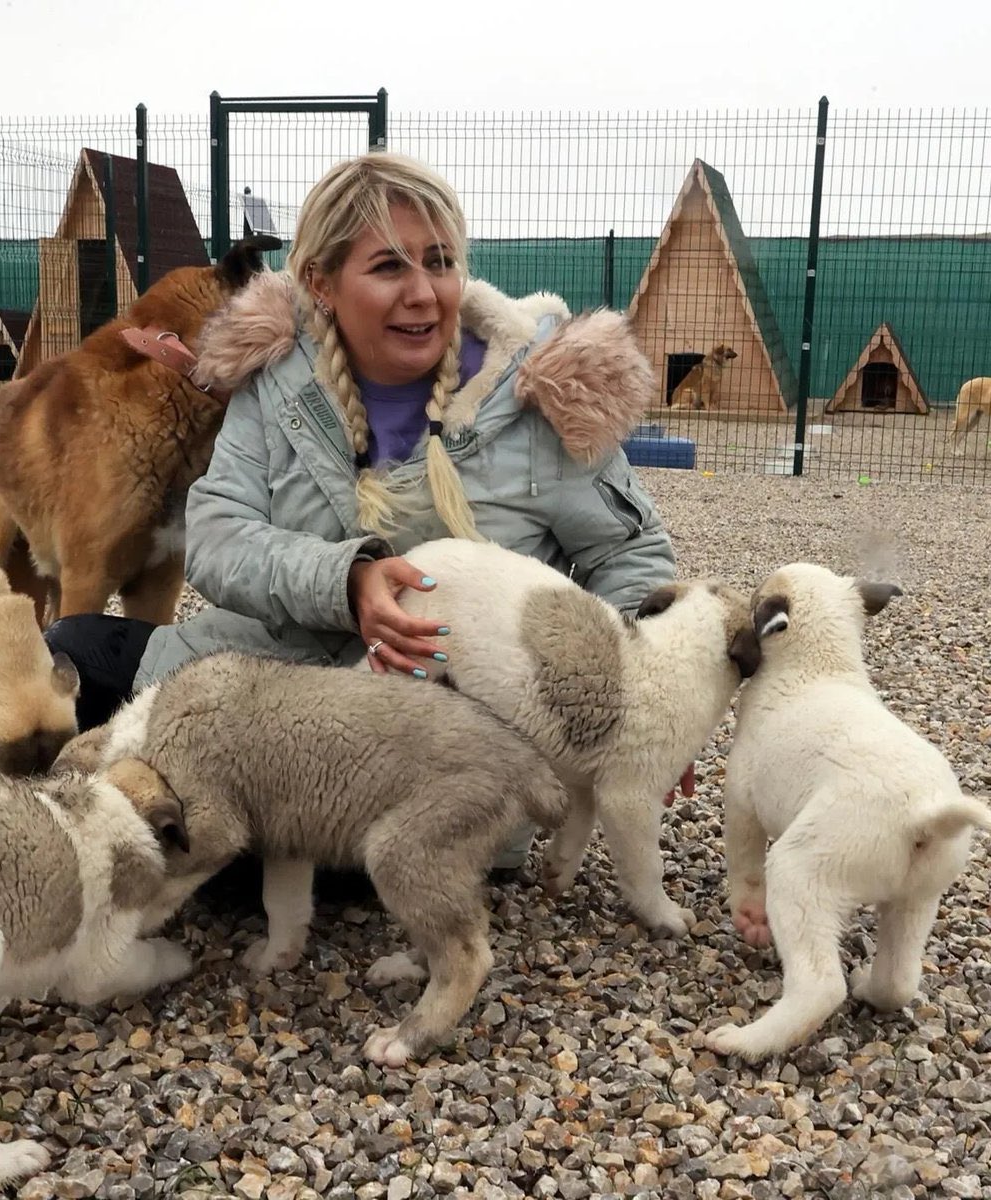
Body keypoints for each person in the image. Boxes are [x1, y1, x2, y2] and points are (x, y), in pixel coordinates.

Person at [46, 151, 676, 869]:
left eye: (440, 262)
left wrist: (637, 707)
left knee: (191, 840)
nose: (423, 293)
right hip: (270, 679)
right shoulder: (278, 377)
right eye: (388, 267)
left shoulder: (541, 393)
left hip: (434, 747)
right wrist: (344, 581)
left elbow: (630, 556)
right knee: (63, 659)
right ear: (321, 283)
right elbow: (218, 536)